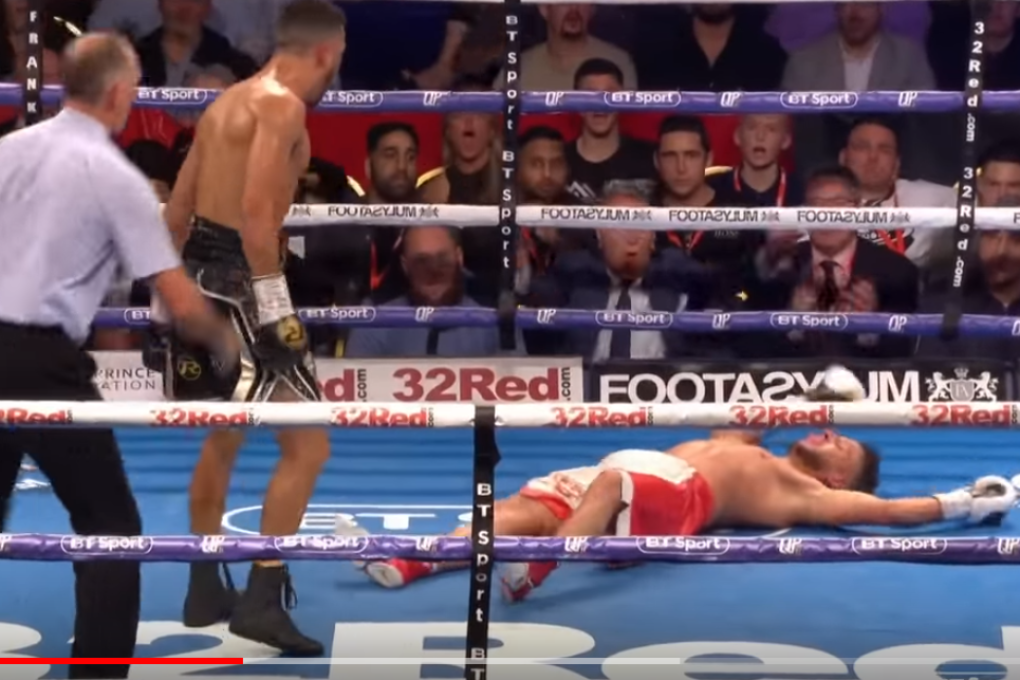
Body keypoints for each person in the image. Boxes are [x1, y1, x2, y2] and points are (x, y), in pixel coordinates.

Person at [362, 366, 1018, 599]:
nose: (824, 433)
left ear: (844, 473)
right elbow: (760, 415)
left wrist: (961, 501)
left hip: (669, 497)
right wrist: (822, 390)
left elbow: (890, 513)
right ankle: (412, 563)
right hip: (618, 475)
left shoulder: (800, 490)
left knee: (612, 484)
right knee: (518, 509)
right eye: (827, 426)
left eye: (837, 441)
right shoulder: (744, 443)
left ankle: (535, 574)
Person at [0, 33, 236, 679]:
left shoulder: (8, 150)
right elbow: (179, 301)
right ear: (116, 92)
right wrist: (231, 345)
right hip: (43, 364)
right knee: (110, 524)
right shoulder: (113, 175)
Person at [157, 0, 347, 656]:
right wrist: (278, 313)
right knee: (308, 447)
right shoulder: (281, 107)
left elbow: (177, 210)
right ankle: (263, 597)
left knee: (224, 436)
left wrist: (171, 299)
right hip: (244, 285)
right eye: (337, 61)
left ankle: (204, 585)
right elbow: (259, 218)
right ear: (325, 52)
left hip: (198, 278)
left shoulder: (223, 104)